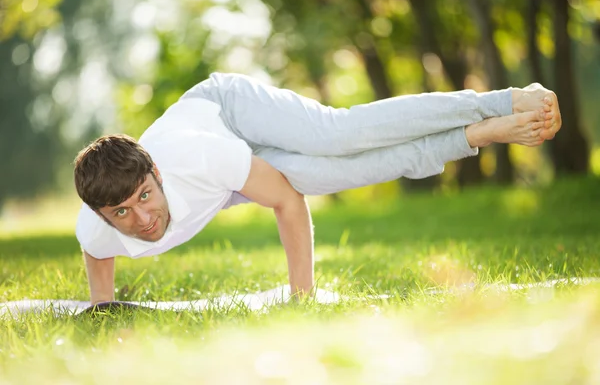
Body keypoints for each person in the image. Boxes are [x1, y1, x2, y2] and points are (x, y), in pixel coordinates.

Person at [73, 72, 562, 305]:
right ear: (99, 215)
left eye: (144, 197)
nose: (142, 220)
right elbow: (99, 265)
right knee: (340, 175)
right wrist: (102, 306)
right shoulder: (95, 232)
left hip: (227, 112)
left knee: (337, 137)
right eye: (119, 213)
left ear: (155, 174)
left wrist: (301, 297)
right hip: (228, 180)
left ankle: (506, 99)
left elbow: (286, 201)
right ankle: (475, 137)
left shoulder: (198, 156)